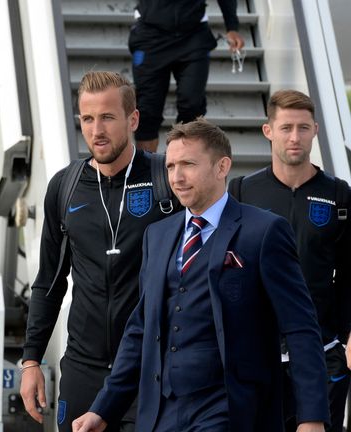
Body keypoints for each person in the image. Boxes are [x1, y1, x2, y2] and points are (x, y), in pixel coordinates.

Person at [72, 119, 330, 432]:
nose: (177, 178)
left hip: (230, 410)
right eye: (170, 167)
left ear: (222, 167)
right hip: (161, 413)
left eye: (188, 165)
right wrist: (103, 408)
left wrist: (312, 417)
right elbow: (141, 329)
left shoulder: (263, 232)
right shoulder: (157, 235)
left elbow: (301, 328)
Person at [20, 71, 178, 432]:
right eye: (87, 119)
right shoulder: (66, 186)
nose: (96, 130)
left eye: (107, 117)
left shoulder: (166, 180)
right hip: (82, 369)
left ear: (133, 119)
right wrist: (31, 360)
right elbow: (49, 282)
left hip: (150, 368)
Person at [228, 89, 350, 432]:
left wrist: (347, 334)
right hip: (258, 354)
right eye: (285, 128)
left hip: (322, 350)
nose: (294, 137)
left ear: (315, 131)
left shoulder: (338, 194)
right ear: (268, 131)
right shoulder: (242, 192)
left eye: (302, 128)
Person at [130, 0, 244, 152]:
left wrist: (232, 27)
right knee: (147, 111)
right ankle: (146, 171)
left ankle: (181, 166)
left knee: (193, 105)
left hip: (193, 35)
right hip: (150, 34)